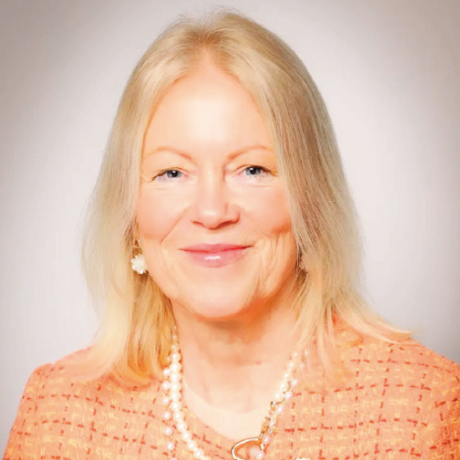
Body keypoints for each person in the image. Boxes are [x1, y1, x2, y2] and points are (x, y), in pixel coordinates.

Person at [4, 9, 460, 460]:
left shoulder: (420, 409)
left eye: (252, 169)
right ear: (130, 212)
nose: (212, 212)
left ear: (311, 197)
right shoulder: (58, 416)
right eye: (171, 173)